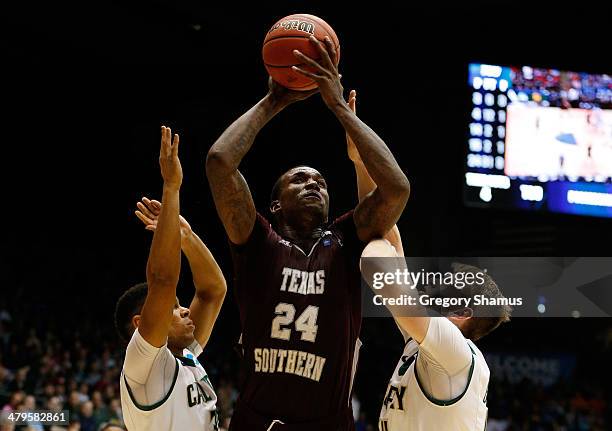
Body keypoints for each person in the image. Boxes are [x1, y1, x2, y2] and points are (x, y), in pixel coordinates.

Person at [206, 36, 410, 430]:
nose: (313, 183)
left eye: (320, 181)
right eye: (299, 180)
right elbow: (219, 162)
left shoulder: (347, 241)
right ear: (276, 204)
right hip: (256, 421)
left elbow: (397, 188)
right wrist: (273, 102)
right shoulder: (258, 243)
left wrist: (339, 109)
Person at [115, 126, 226, 430]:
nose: (185, 309)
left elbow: (212, 291)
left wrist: (186, 236)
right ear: (141, 323)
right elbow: (163, 281)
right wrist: (171, 188)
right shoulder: (145, 366)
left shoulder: (185, 355)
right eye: (175, 308)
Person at [361, 235, 510, 430]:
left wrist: (370, 235)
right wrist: (377, 216)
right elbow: (396, 254)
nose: (433, 285)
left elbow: (374, 267)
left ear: (461, 313)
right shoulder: (431, 344)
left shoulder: (454, 353)